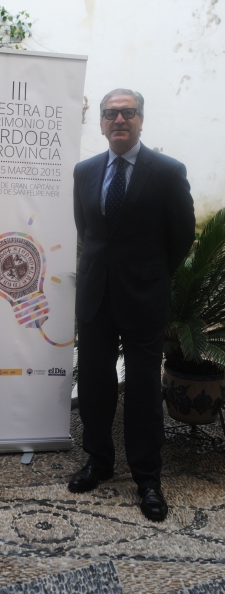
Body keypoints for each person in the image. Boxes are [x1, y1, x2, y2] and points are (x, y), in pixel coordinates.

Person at [70, 89, 195, 521]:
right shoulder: (85, 171)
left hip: (144, 297)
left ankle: (147, 478)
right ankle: (99, 461)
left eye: (128, 112)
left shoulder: (168, 172)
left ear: (141, 119)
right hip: (95, 296)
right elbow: (87, 230)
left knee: (142, 389)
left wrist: (149, 274)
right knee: (94, 382)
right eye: (111, 113)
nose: (119, 119)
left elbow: (181, 236)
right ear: (101, 123)